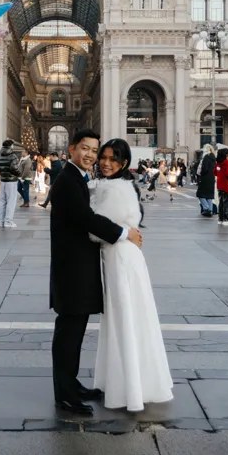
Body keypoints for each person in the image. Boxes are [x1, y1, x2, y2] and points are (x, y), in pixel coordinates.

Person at [50, 129, 144, 416]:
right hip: (72, 270)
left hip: (77, 267)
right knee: (69, 333)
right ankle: (65, 395)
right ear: (72, 149)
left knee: (75, 331)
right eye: (85, 149)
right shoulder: (68, 180)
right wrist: (124, 233)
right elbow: (85, 218)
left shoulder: (77, 177)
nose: (91, 155)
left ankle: (70, 383)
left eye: (94, 150)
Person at [90, 138, 173, 411]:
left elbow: (96, 230)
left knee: (123, 319)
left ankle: (128, 389)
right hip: (125, 256)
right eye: (103, 157)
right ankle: (134, 384)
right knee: (132, 319)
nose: (105, 163)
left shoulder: (114, 189)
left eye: (112, 159)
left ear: (124, 162)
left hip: (120, 258)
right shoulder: (121, 185)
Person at [0, 139, 21, 228]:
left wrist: (1, 170)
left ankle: (1, 221)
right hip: (11, 181)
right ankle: (8, 221)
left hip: (3, 180)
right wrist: (19, 174)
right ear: (10, 146)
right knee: (11, 201)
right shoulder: (13, 156)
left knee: (2, 201)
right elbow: (14, 168)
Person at [196, 145, 216, 217]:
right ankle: (210, 209)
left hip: (205, 178)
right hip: (212, 178)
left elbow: (204, 168)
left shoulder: (206, 157)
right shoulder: (213, 157)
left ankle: (206, 208)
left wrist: (201, 174)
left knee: (200, 194)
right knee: (209, 195)